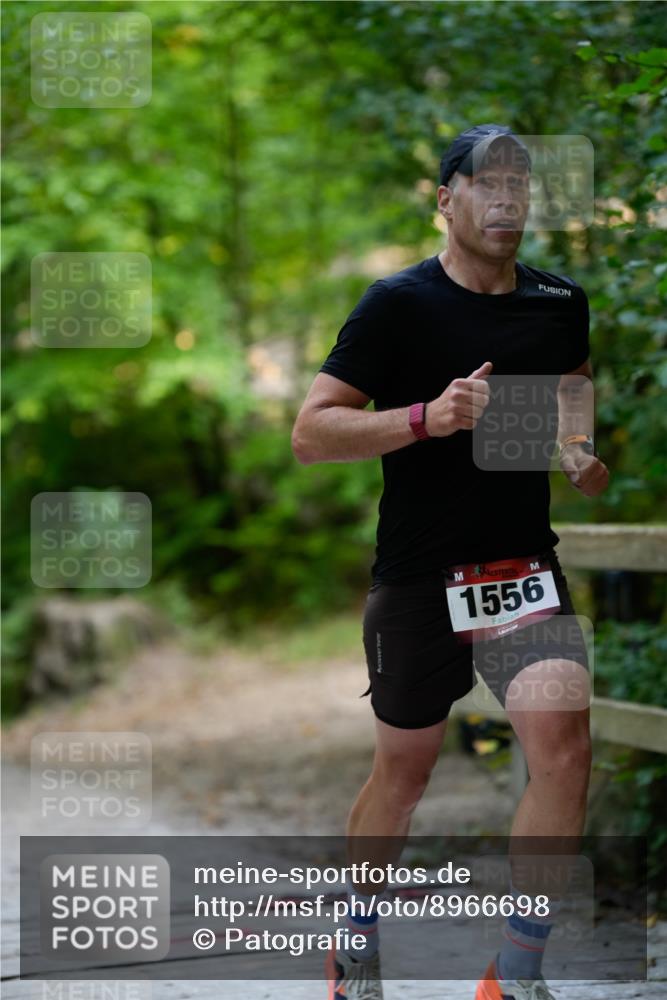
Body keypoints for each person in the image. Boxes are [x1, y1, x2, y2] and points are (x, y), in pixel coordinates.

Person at [291, 123, 609, 1000]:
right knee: (404, 775)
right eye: (487, 181)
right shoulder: (397, 304)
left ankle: (514, 975)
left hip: (517, 567)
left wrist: (575, 448)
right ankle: (353, 939)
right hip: (419, 576)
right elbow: (311, 433)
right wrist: (426, 417)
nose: (507, 198)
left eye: (521, 184)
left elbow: (570, 389)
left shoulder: (556, 300)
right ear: (447, 198)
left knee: (564, 751)